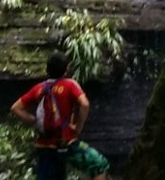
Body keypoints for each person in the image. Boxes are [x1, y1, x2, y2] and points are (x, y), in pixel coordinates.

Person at [11, 52, 111, 180]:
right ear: (66, 69)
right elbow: (84, 104)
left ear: (47, 70)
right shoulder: (69, 84)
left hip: (44, 146)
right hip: (66, 143)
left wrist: (34, 120)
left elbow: (15, 108)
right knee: (99, 165)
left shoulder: (39, 88)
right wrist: (78, 127)